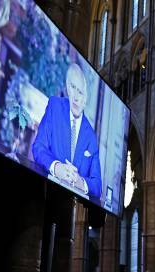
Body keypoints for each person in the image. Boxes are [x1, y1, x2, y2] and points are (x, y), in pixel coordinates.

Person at [32, 63, 102, 199]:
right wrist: (57, 168)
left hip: (71, 206)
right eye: (73, 87)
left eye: (80, 92)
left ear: (86, 98)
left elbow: (97, 185)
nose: (76, 97)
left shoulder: (91, 136)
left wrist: (80, 181)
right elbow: (38, 147)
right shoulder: (55, 106)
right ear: (67, 87)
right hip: (44, 193)